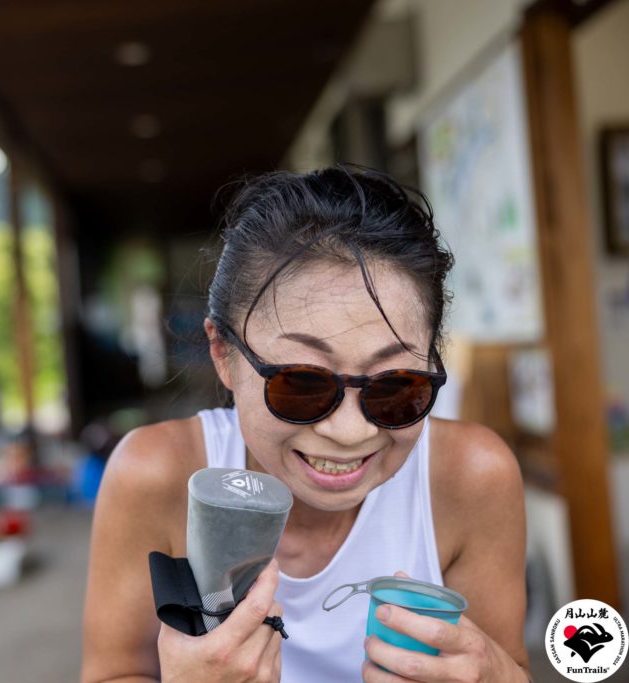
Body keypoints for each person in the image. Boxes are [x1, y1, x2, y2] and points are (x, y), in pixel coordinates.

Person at [81, 167, 530, 682]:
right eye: (301, 383)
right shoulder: (157, 476)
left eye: (396, 387)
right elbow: (112, 671)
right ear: (223, 354)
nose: (349, 431)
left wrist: (496, 676)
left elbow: (509, 664)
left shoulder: (470, 478)